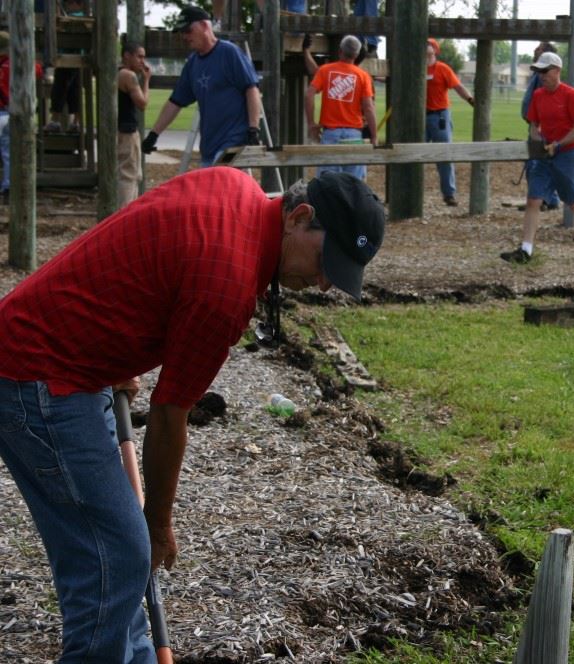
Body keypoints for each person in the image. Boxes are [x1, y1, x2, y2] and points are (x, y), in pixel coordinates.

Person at [0, 167, 385, 662]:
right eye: (327, 261)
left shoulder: (235, 186)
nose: (326, 283)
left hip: (57, 357)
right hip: (39, 379)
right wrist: (157, 524)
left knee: (116, 556)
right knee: (116, 556)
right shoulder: (227, 285)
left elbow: (144, 245)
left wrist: (115, 340)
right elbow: (168, 414)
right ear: (300, 217)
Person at [142, 5, 262, 167]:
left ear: (205, 26)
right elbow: (175, 102)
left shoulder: (229, 53)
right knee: (209, 190)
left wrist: (253, 129)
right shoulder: (193, 63)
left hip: (233, 144)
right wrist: (154, 134)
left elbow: (251, 89)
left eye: (188, 30)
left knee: (218, 187)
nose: (184, 36)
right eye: (182, 32)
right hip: (209, 148)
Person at [500, 52, 574, 264]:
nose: (541, 76)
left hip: (568, 154)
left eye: (544, 71)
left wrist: (558, 144)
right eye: (538, 72)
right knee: (533, 199)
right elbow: (533, 126)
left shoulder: (571, 95)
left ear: (557, 71)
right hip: (543, 156)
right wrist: (539, 142)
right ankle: (526, 249)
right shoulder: (538, 96)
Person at [306, 35, 377, 181]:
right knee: (354, 184)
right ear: (357, 55)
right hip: (354, 135)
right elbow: (369, 107)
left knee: (327, 183)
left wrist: (311, 123)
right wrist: (374, 135)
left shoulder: (325, 70)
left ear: (340, 51)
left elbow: (309, 94)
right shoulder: (363, 76)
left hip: (330, 134)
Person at [425, 37, 474, 207]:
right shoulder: (415, 68)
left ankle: (449, 194)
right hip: (419, 117)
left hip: (440, 116)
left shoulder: (443, 69)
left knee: (445, 155)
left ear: (435, 50)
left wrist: (469, 98)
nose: (426, 46)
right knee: (414, 154)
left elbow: (458, 87)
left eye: (429, 44)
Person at [0, 31, 43, 203]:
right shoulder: (15, 63)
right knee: (9, 153)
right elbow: (38, 70)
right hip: (9, 113)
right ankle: (9, 188)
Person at [521, 42, 561, 213]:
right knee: (539, 162)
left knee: (537, 163)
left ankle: (544, 198)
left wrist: (536, 125)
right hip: (535, 125)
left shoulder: (540, 77)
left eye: (539, 50)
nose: (535, 51)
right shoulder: (537, 75)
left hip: (539, 128)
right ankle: (548, 198)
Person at [117, 41, 151, 207]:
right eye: (139, 56)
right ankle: (125, 213)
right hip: (127, 131)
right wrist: (146, 81)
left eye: (144, 57)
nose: (142, 62)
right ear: (127, 55)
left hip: (116, 129)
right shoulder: (128, 76)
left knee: (126, 173)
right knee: (130, 175)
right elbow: (142, 104)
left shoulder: (115, 72)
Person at [44, 0, 86, 133]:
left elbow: (60, 23)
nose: (68, 6)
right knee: (74, 91)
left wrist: (57, 10)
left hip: (68, 58)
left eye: (69, 3)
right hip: (77, 59)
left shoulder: (76, 16)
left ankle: (55, 120)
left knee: (59, 89)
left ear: (77, 4)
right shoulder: (79, 16)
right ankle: (76, 122)